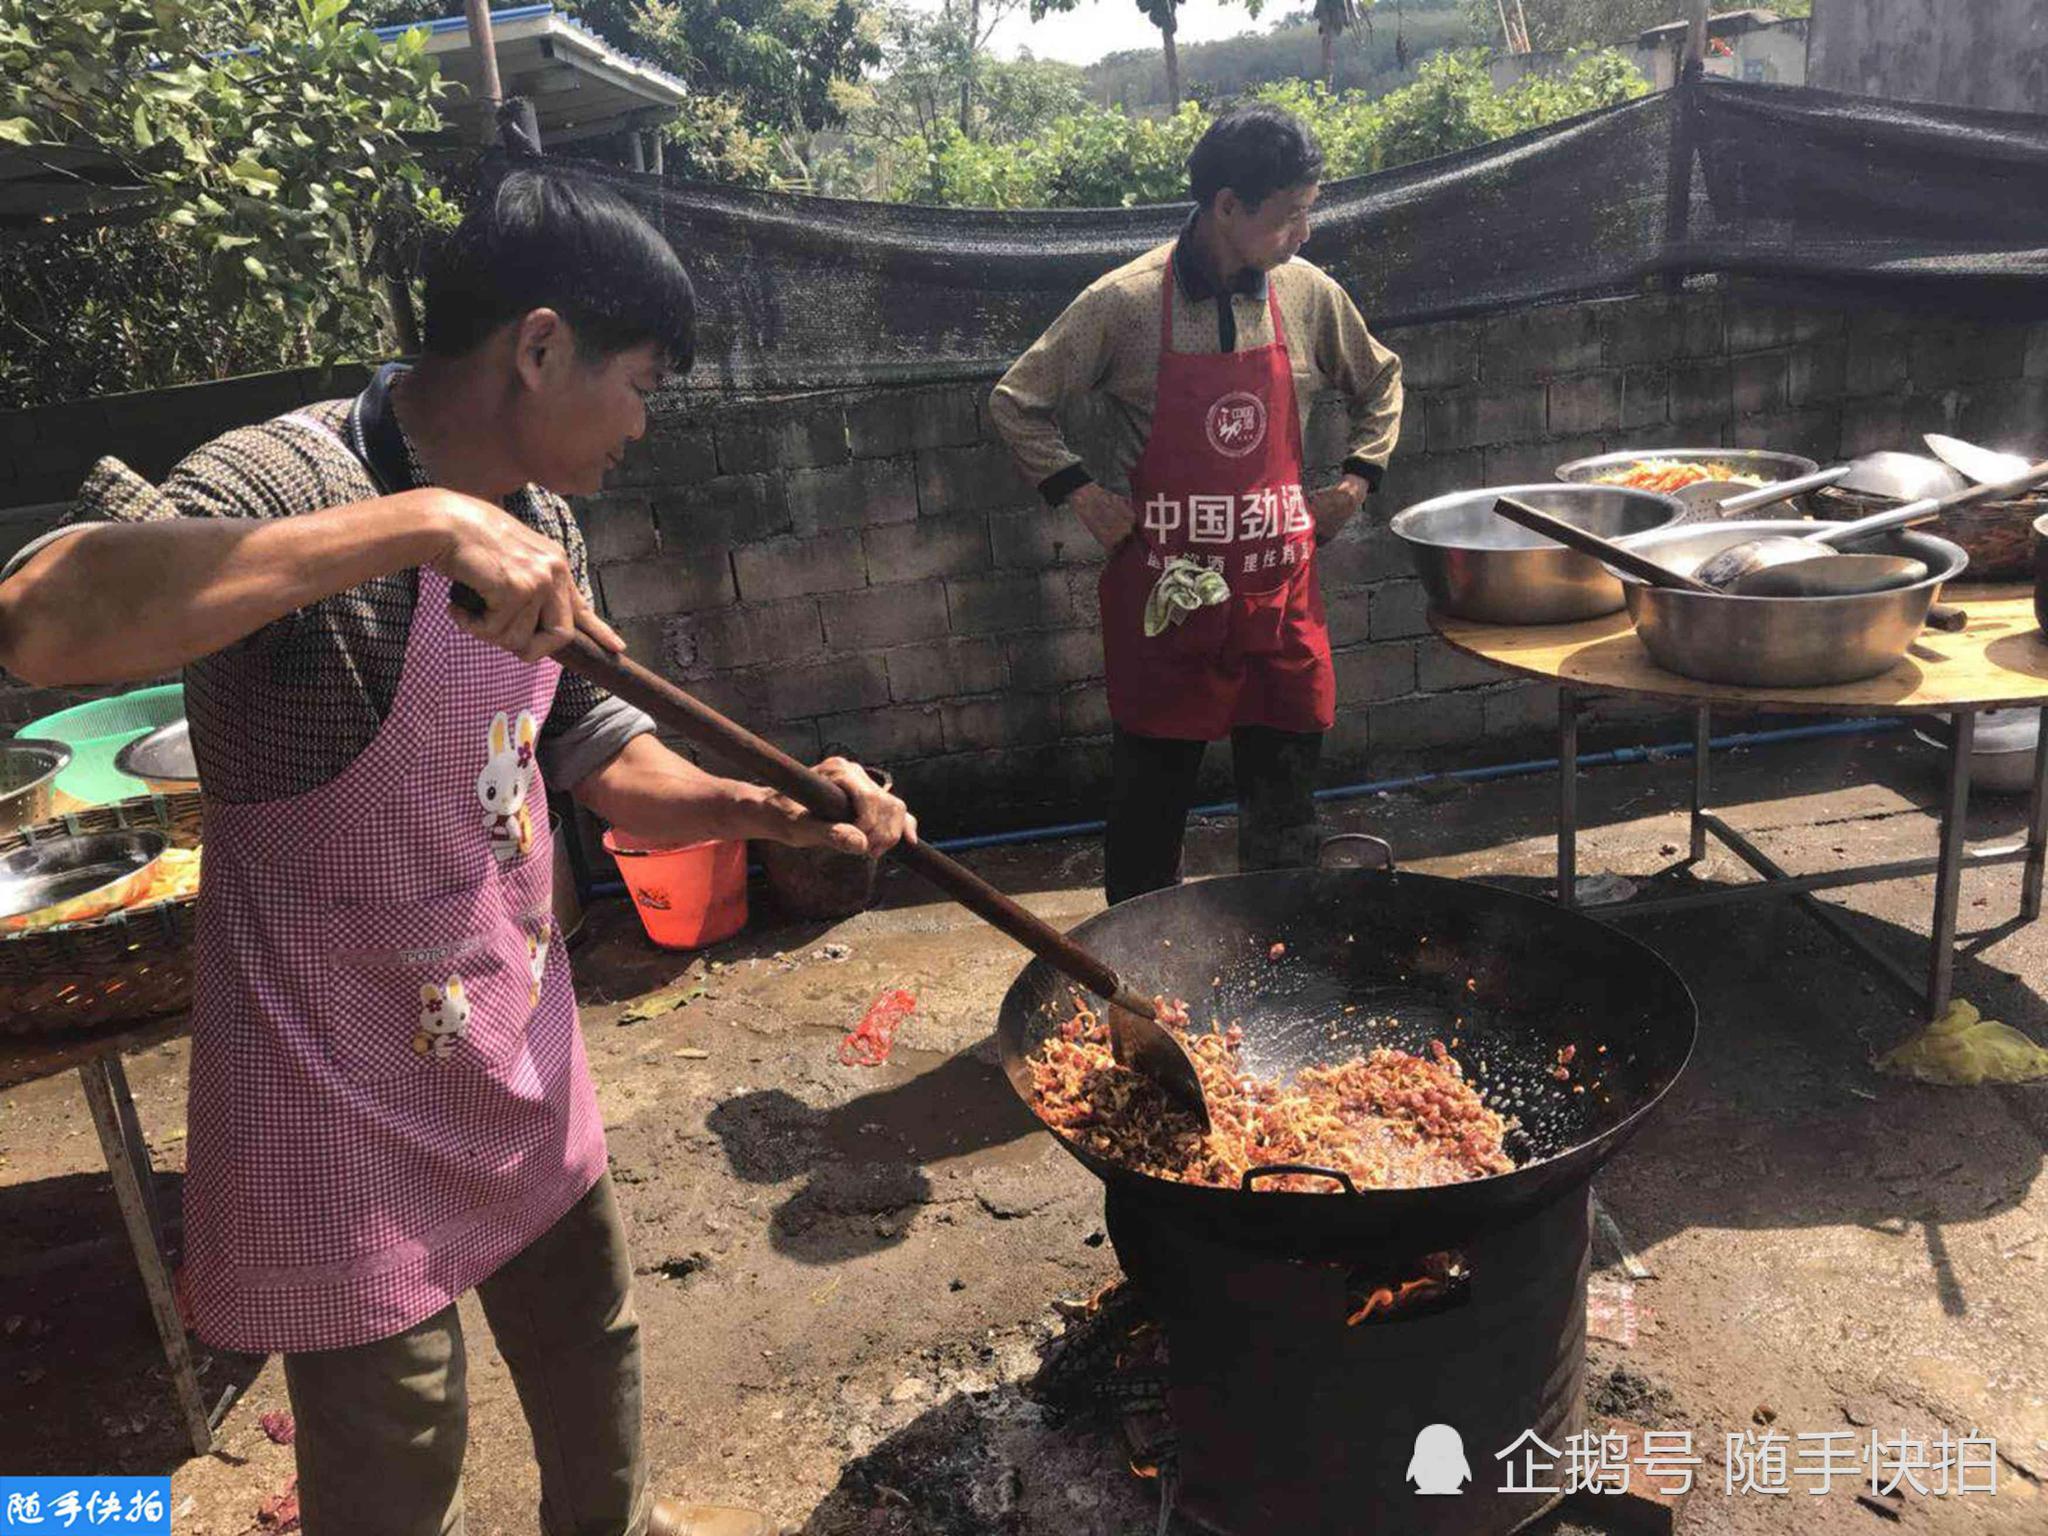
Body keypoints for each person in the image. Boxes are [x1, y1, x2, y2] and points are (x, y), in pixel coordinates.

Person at [0, 170, 914, 1536]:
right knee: (396, 1459)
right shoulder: (290, 476)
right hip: (335, 1089)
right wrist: (421, 524)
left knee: (592, 1359)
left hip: (510, 1039)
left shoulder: (545, 525)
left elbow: (598, 751)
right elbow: (40, 616)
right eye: (641, 380)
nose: (645, 422)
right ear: (539, 348)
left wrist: (772, 812)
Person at [990, 103, 1403, 906]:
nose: (1303, 235)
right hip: (1167, 611)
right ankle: (1139, 992)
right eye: (1289, 217)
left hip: (1279, 602)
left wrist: (1357, 477)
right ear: (1226, 207)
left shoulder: (1309, 295)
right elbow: (1018, 401)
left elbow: (1381, 379)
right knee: (1147, 824)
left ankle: (1287, 963)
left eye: (1308, 214)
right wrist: (1081, 492)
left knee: (1284, 823)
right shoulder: (1127, 305)